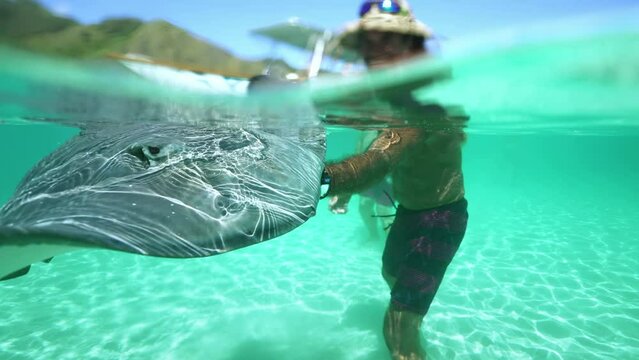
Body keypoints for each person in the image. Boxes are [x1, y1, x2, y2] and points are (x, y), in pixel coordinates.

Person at [321, 1, 469, 359]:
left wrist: (324, 179)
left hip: (441, 217)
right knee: (390, 271)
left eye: (388, 41)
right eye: (369, 45)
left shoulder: (423, 102)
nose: (375, 54)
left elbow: (378, 160)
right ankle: (413, 310)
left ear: (410, 49)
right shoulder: (389, 97)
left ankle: (411, 336)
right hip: (410, 211)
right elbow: (378, 141)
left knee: (398, 330)